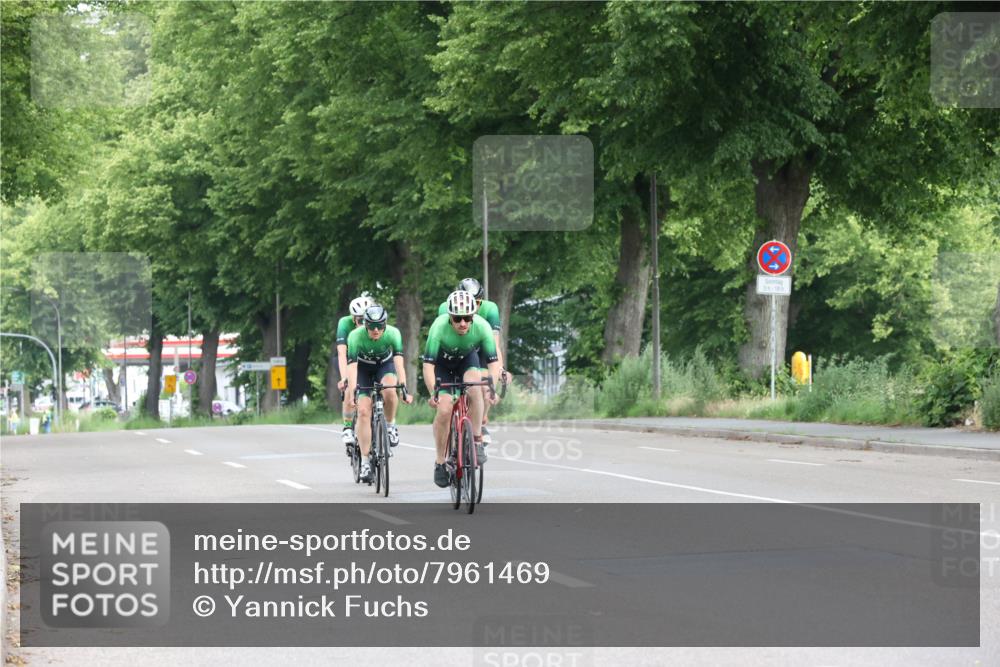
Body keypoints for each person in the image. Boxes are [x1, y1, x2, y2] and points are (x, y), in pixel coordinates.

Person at [423, 290, 500, 488]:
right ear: (450, 316)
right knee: (445, 409)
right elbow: (428, 366)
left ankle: (476, 440)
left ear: (473, 316)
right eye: (458, 319)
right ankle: (440, 461)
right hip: (443, 366)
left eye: (467, 318)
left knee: (476, 387)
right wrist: (434, 393)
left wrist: (492, 387)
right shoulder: (438, 328)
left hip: (467, 360)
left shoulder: (482, 327)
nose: (463, 323)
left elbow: (493, 364)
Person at [344, 304, 413, 483]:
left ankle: (390, 425)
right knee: (363, 411)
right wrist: (352, 392)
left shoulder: (393, 333)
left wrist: (403, 387)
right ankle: (365, 462)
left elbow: (399, 363)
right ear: (365, 324)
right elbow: (352, 368)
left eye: (380, 326)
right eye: (372, 326)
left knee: (390, 390)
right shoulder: (355, 336)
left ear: (385, 324)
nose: (376, 330)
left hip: (384, 365)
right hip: (362, 369)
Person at [437, 278, 508, 443]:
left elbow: (494, 345)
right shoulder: (445, 308)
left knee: (485, 385)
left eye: (477, 302)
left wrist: (500, 368)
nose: (473, 307)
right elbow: (443, 337)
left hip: (480, 348)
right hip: (456, 348)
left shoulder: (490, 309)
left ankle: (480, 422)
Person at [336, 295, 372, 453]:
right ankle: (347, 427)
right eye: (359, 320)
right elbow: (341, 353)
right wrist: (344, 377)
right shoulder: (344, 324)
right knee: (349, 386)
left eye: (366, 320)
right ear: (353, 318)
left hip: (369, 358)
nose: (363, 324)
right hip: (349, 358)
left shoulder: (374, 323)